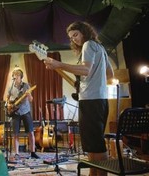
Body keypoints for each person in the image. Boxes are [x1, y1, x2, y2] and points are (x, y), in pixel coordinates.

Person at [43, 21, 114, 176]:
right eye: (71, 37)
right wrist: (89, 84)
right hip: (99, 100)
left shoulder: (89, 44)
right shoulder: (100, 48)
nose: (73, 39)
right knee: (92, 145)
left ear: (84, 32)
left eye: (75, 34)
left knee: (97, 146)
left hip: (91, 102)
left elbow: (86, 70)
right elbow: (110, 75)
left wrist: (59, 64)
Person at [6, 67, 40, 159]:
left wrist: (29, 96)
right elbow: (7, 97)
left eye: (17, 75)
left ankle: (33, 152)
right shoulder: (11, 86)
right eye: (14, 75)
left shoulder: (26, 86)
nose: (15, 76)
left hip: (25, 111)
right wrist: (9, 104)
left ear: (21, 77)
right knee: (15, 133)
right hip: (15, 113)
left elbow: (31, 100)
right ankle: (17, 153)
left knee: (31, 132)